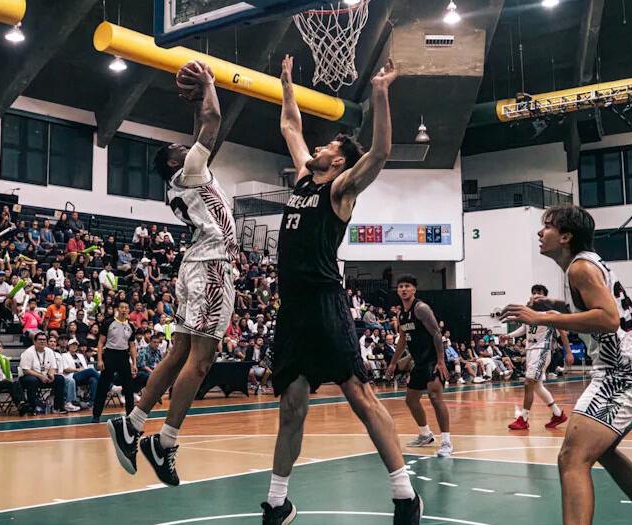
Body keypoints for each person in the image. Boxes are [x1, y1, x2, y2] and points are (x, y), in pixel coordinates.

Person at [254, 55, 419, 524]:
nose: (318, 147)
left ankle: (405, 495)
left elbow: (381, 153)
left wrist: (382, 94)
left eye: (328, 144)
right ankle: (277, 502)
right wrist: (286, 85)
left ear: (341, 158)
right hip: (293, 310)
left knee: (360, 397)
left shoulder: (341, 189)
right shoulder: (306, 175)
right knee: (292, 404)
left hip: (326, 303)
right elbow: (290, 125)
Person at [107, 60, 241, 486]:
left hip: (195, 266)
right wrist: (209, 85)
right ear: (172, 162)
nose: (185, 147)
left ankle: (133, 424)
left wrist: (197, 99)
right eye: (178, 149)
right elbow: (213, 121)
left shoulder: (181, 181)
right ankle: (164, 442)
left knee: (178, 352)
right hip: (212, 265)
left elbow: (202, 123)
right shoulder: (190, 171)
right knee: (201, 363)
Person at [501, 205, 632, 525]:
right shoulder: (586, 266)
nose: (539, 232)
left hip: (624, 373)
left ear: (565, 236)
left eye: (546, 226)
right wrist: (555, 305)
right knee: (601, 452)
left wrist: (544, 316)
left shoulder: (579, 268)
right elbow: (597, 308)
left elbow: (607, 318)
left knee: (572, 458)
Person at [385, 275, 453, 458]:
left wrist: (440, 360)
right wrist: (393, 363)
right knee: (411, 400)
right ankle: (426, 435)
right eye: (400, 286)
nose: (404, 289)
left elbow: (437, 334)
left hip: (432, 360)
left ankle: (446, 441)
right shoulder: (402, 314)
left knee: (434, 396)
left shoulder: (421, 308)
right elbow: (401, 340)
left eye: (407, 286)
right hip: (419, 362)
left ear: (414, 289)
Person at [505, 284, 574, 431]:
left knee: (529, 383)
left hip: (541, 350)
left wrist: (568, 352)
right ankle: (558, 414)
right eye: (533, 292)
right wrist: (508, 335)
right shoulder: (529, 313)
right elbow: (523, 329)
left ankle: (523, 419)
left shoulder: (551, 313)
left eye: (539, 292)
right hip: (530, 350)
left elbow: (562, 332)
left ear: (545, 296)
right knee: (537, 386)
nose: (535, 295)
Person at [92, 302, 137, 422]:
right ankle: (96, 414)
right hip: (110, 355)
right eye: (122, 307)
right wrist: (100, 359)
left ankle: (130, 414)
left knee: (128, 387)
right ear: (117, 309)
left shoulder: (131, 327)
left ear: (128, 310)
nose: (124, 310)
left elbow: (132, 346)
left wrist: (134, 363)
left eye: (126, 308)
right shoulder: (109, 323)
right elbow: (101, 343)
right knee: (103, 386)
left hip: (123, 356)